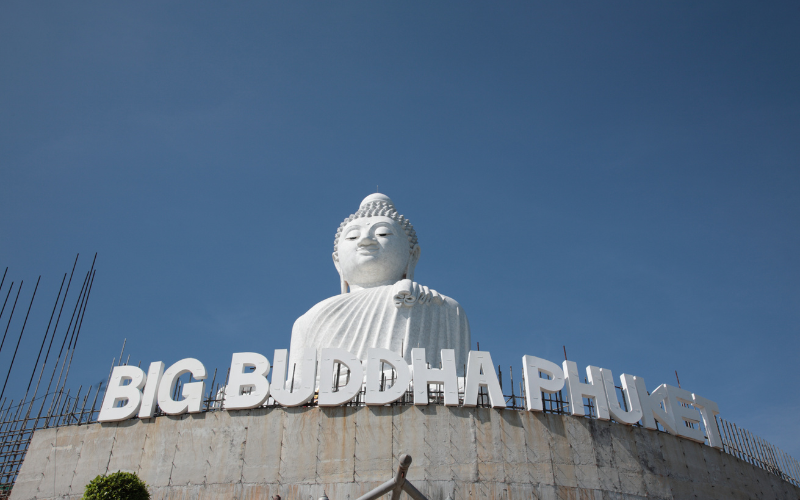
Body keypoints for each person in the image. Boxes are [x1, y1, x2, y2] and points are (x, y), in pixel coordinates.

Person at [288, 193, 470, 373]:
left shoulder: (443, 308)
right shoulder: (309, 320)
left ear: (412, 256)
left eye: (382, 233)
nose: (366, 240)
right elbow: (296, 389)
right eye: (353, 237)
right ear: (337, 261)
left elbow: (459, 382)